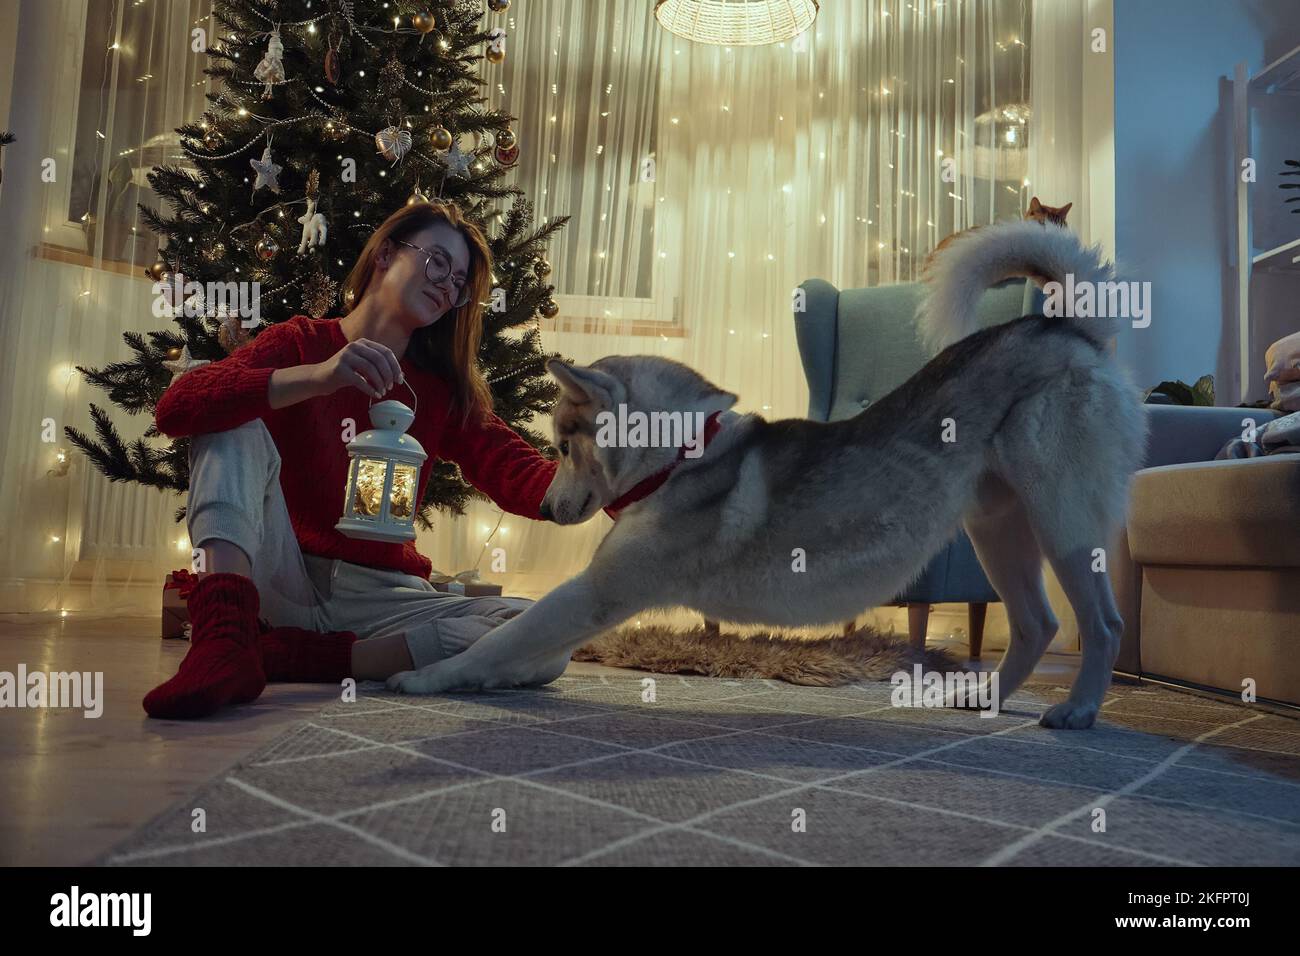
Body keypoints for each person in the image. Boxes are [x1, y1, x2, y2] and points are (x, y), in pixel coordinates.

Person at [143, 201, 560, 719]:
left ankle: (298, 657)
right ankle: (224, 641)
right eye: (436, 263)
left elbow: (519, 472)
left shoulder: (440, 391)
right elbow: (180, 404)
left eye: (457, 283)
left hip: (383, 598)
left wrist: (621, 478)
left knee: (546, 633)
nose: (446, 286)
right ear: (386, 254)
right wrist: (319, 376)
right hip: (285, 576)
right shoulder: (300, 342)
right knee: (230, 411)